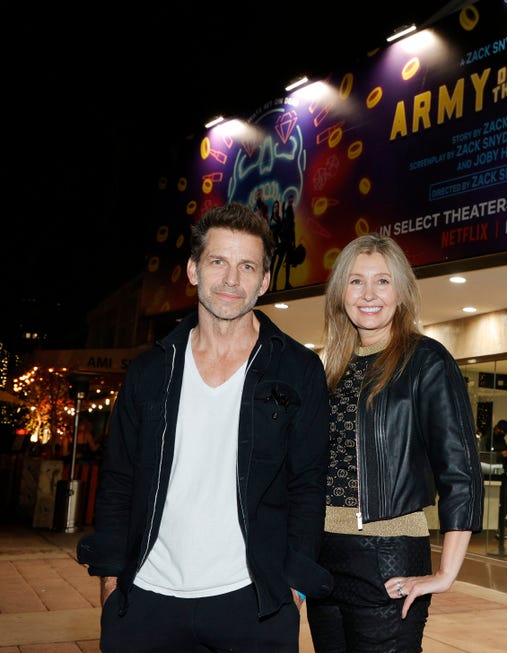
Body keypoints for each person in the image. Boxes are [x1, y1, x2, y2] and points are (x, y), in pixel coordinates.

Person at [76, 202, 333, 653]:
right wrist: (112, 576)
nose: (232, 279)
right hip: (147, 598)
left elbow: (309, 484)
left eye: (247, 265)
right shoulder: (150, 370)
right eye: (218, 261)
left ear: (264, 280)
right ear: (193, 269)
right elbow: (119, 477)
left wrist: (294, 583)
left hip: (254, 603)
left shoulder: (298, 369)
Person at [306, 233, 483, 653]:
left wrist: (445, 573)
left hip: (388, 554)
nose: (369, 294)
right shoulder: (330, 368)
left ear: (401, 292)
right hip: (322, 558)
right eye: (355, 281)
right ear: (340, 294)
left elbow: (460, 471)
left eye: (382, 281)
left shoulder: (426, 361)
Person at [487, 419, 507, 541]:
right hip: (492, 474)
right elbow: (484, 455)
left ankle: (499, 525)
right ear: (498, 429)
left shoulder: (501, 439)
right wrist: (501, 455)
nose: (504, 434)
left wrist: (506, 456)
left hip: (502, 472)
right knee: (494, 502)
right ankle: (497, 527)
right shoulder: (488, 438)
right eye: (503, 431)